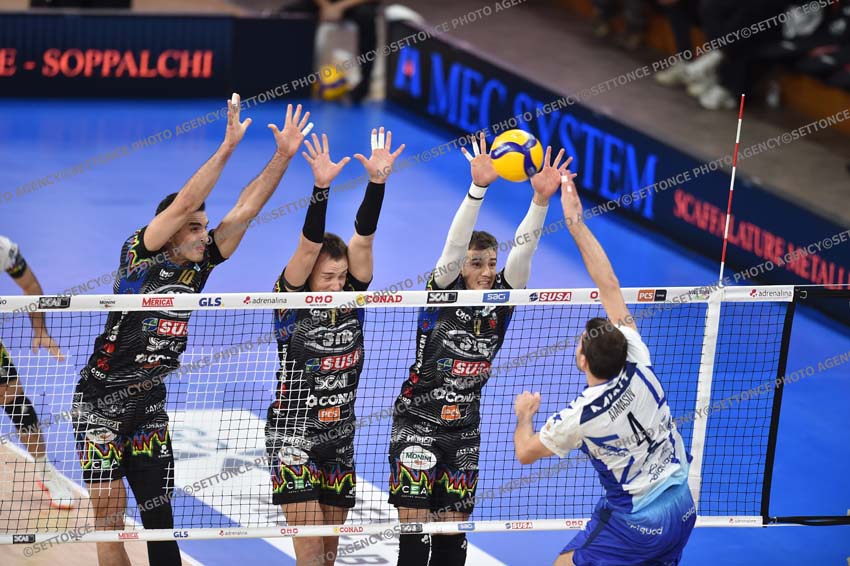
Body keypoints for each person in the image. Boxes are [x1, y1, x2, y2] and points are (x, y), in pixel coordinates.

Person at [73, 96, 312, 566]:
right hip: (100, 403)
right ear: (171, 231)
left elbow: (245, 209)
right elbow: (185, 201)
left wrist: (282, 156)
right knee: (110, 520)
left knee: (162, 524)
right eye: (195, 227)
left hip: (148, 405)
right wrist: (227, 147)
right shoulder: (140, 256)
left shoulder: (197, 267)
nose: (206, 234)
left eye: (205, 226)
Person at [388, 133, 573, 566]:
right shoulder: (442, 293)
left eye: (491, 263)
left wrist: (540, 201)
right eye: (477, 264)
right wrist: (478, 189)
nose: (487, 272)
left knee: (452, 540)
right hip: (416, 423)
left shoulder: (501, 303)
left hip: (464, 432)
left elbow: (523, 254)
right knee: (414, 539)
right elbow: (454, 246)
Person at [512, 173, 696, 566]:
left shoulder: (580, 417)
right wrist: (576, 223)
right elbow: (609, 284)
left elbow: (525, 452)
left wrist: (525, 415)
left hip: (639, 525)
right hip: (683, 505)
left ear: (582, 360)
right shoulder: (638, 362)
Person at [265, 126, 404, 566]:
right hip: (292, 434)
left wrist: (376, 184)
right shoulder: (290, 300)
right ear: (307, 277)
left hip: (340, 438)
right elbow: (308, 246)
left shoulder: (351, 299)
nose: (337, 284)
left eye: (341, 277)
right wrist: (321, 189)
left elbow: (364, 239)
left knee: (328, 556)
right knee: (309, 552)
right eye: (328, 277)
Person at [0, 234, 72, 508]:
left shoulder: (3, 249)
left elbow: (30, 285)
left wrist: (40, 331)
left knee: (14, 399)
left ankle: (44, 471)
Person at [279, 0, 381, 102]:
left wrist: (339, 7)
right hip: (323, 4)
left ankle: (363, 87)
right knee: (288, 13)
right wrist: (325, 6)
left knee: (367, 15)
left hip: (353, 4)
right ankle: (293, 82)